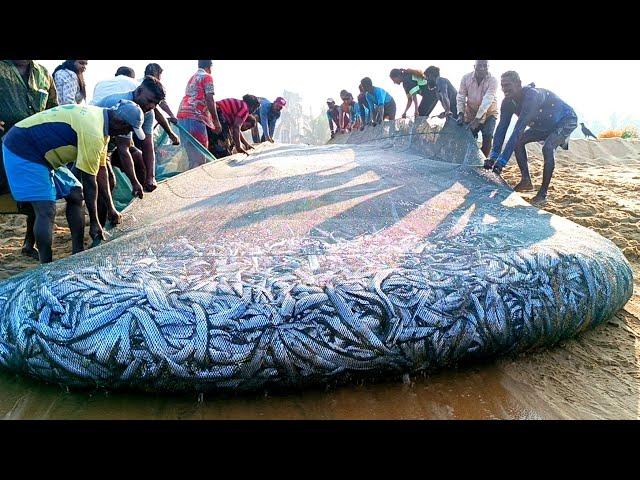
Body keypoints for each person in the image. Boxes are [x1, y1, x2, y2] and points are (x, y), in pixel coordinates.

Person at [1, 100, 145, 263]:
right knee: (46, 210)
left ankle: (77, 253)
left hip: (46, 156)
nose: (127, 133)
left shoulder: (102, 124)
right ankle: (46, 267)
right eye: (127, 129)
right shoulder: (93, 130)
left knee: (76, 194)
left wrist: (111, 209)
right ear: (119, 122)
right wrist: (95, 222)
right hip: (23, 148)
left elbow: (101, 170)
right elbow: (90, 181)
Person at [487, 71, 577, 206]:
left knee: (548, 148)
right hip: (542, 125)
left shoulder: (532, 96)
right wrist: (493, 156)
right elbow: (502, 128)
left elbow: (519, 127)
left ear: (518, 84)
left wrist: (502, 162)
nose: (505, 89)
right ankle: (526, 181)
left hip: (564, 119)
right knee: (518, 142)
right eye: (503, 86)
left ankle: (543, 193)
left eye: (508, 85)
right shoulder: (507, 102)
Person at [0, 59, 58, 259]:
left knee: (38, 196)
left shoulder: (43, 73)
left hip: (35, 146)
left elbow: (53, 108)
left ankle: (28, 243)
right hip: (4, 141)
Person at [93, 75, 167, 198]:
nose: (151, 106)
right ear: (139, 91)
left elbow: (148, 144)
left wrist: (151, 177)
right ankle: (103, 216)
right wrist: (134, 182)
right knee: (108, 181)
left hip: (111, 144)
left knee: (138, 157)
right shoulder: (123, 105)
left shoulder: (148, 111)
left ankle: (140, 199)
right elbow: (123, 150)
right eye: (149, 101)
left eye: (156, 103)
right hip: (94, 140)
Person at [176, 60, 222, 169]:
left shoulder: (192, 78)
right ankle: (199, 182)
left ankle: (191, 181)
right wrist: (216, 121)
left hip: (182, 115)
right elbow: (210, 99)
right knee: (201, 153)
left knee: (191, 155)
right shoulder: (207, 77)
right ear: (209, 67)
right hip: (195, 116)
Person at [456, 60, 499, 157]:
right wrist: (461, 114)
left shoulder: (493, 80)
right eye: (480, 65)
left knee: (488, 136)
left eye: (485, 66)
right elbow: (461, 96)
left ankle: (482, 163)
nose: (482, 68)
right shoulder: (466, 78)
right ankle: (467, 159)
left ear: (488, 67)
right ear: (474, 66)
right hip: (471, 112)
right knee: (468, 136)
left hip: (489, 113)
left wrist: (477, 119)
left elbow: (488, 99)